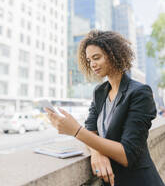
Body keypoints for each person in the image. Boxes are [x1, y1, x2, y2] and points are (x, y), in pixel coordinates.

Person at [46, 30, 164, 186]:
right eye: (89, 60)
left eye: (97, 57)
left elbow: (127, 154)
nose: (92, 64)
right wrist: (96, 153)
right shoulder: (99, 92)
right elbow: (91, 131)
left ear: (114, 55)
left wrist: (75, 130)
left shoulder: (139, 92)